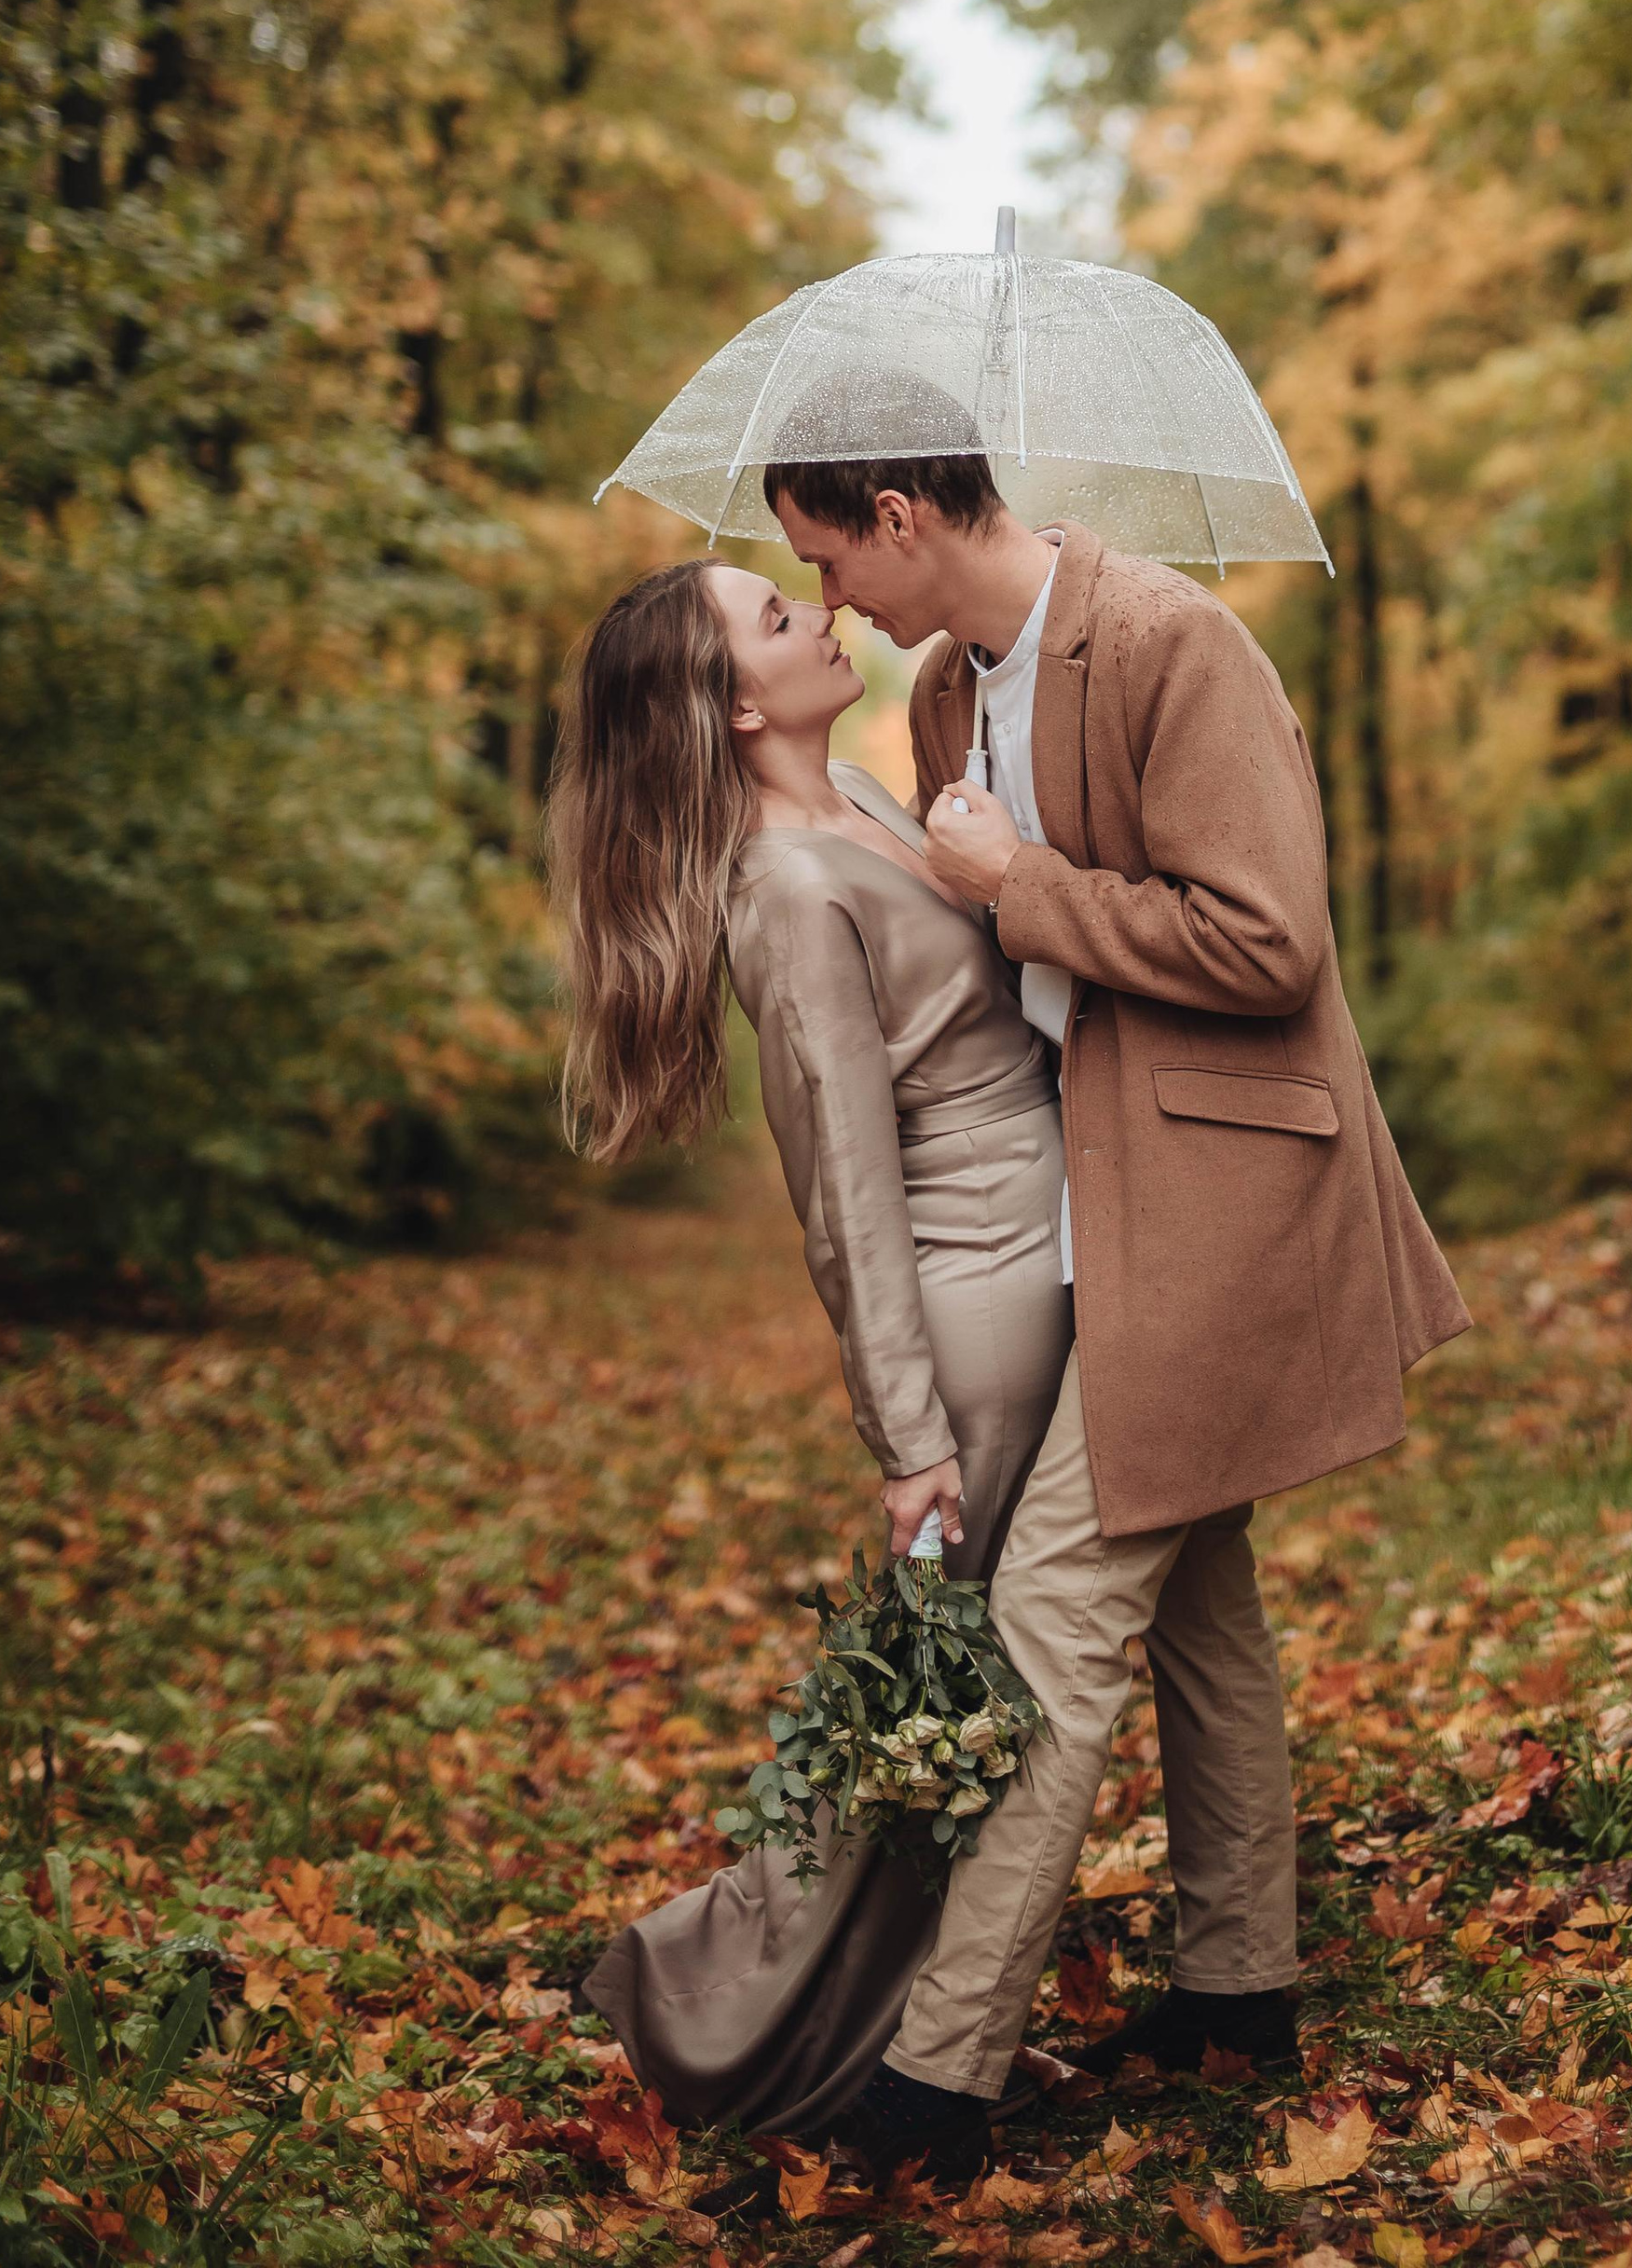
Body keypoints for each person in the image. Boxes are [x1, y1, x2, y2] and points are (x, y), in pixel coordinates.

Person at [763, 390, 1471, 2185]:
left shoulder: (1171, 644)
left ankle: (938, 2082)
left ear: (903, 514)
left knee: (1056, 1616)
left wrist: (1025, 886)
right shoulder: (943, 696)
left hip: (1227, 1196)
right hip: (1097, 1207)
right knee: (1200, 1598)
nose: (826, 596)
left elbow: (1269, 942)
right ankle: (1241, 1989)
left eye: (826, 553)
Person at [547, 551, 1074, 2140]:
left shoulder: (854, 792)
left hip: (1052, 1238)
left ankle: (883, 2018)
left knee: (970, 1685)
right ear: (728, 705)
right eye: (777, 619)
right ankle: (735, 2008)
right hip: (983, 1299)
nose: (819, 613)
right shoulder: (780, 892)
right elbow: (845, 1185)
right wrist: (909, 1437)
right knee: (954, 1694)